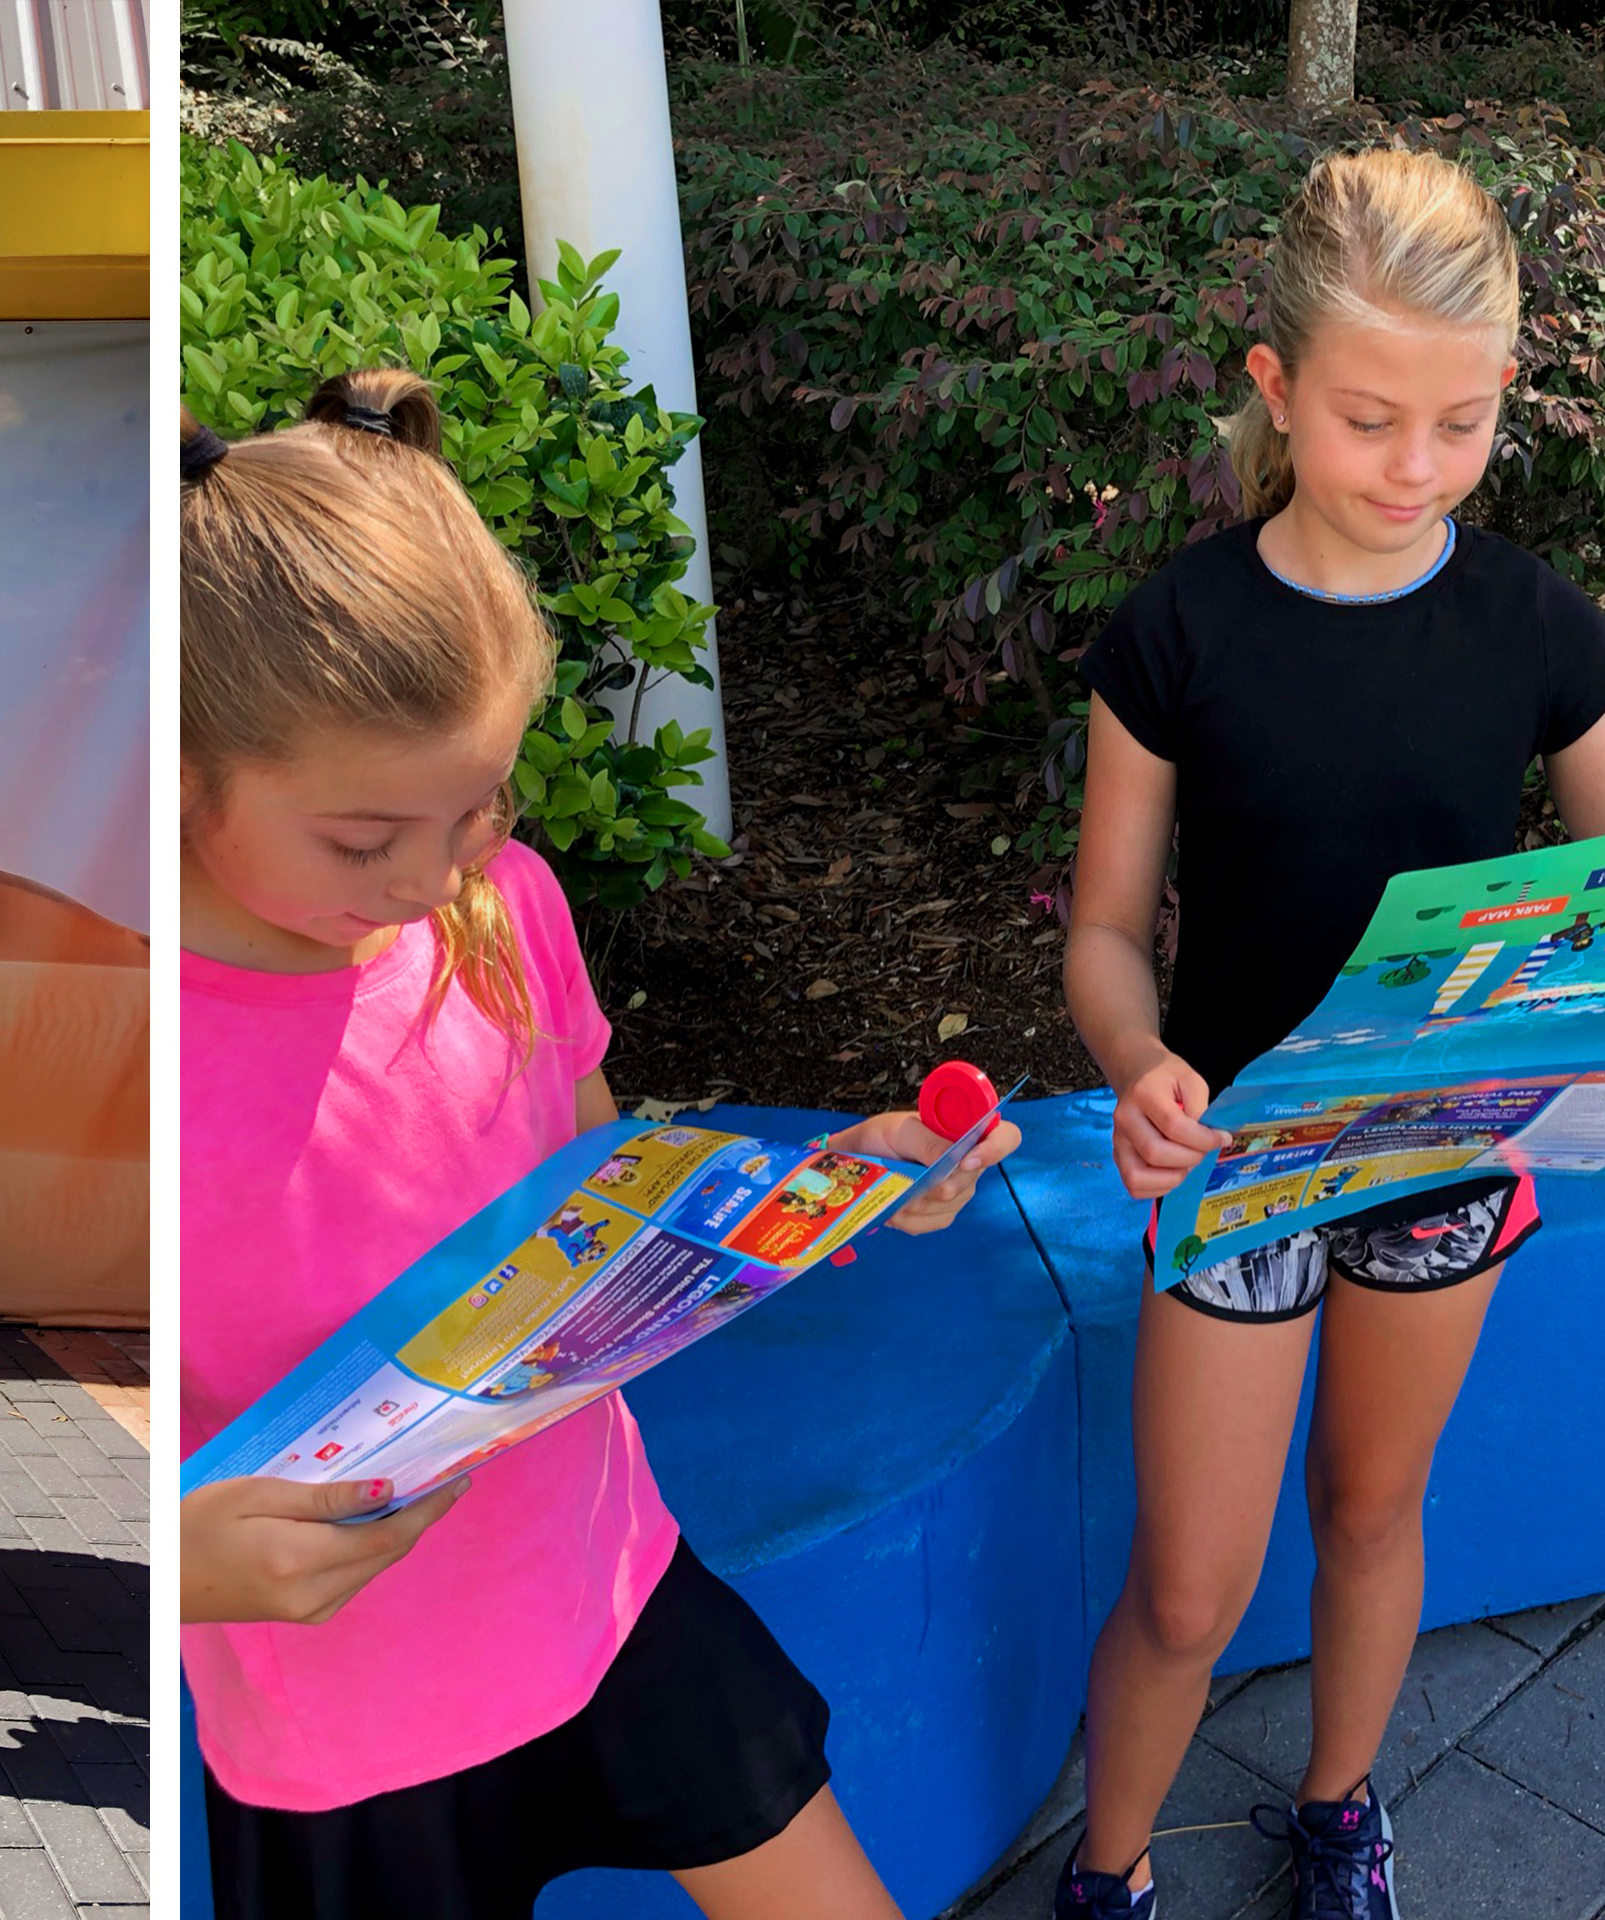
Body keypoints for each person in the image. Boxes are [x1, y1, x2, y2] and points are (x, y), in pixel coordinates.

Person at [178, 369, 1022, 1920]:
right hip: (345, 1729)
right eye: (366, 843)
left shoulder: (511, 910)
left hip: (610, 1588)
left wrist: (814, 1196)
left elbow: (599, 1209)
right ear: (178, 771)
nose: (439, 880)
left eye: (483, 805)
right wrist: (175, 1559)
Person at [1058, 148, 1605, 1920]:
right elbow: (1104, 935)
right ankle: (1111, 1869)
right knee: (1191, 1588)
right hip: (1232, 1155)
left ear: (1502, 396)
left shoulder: (1540, 624)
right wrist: (1138, 1061)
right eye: (1372, 421)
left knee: (1376, 1514)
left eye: (1459, 426)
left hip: (1441, 1146)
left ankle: (1342, 1806)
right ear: (1277, 387)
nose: (1416, 469)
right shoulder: (1176, 633)